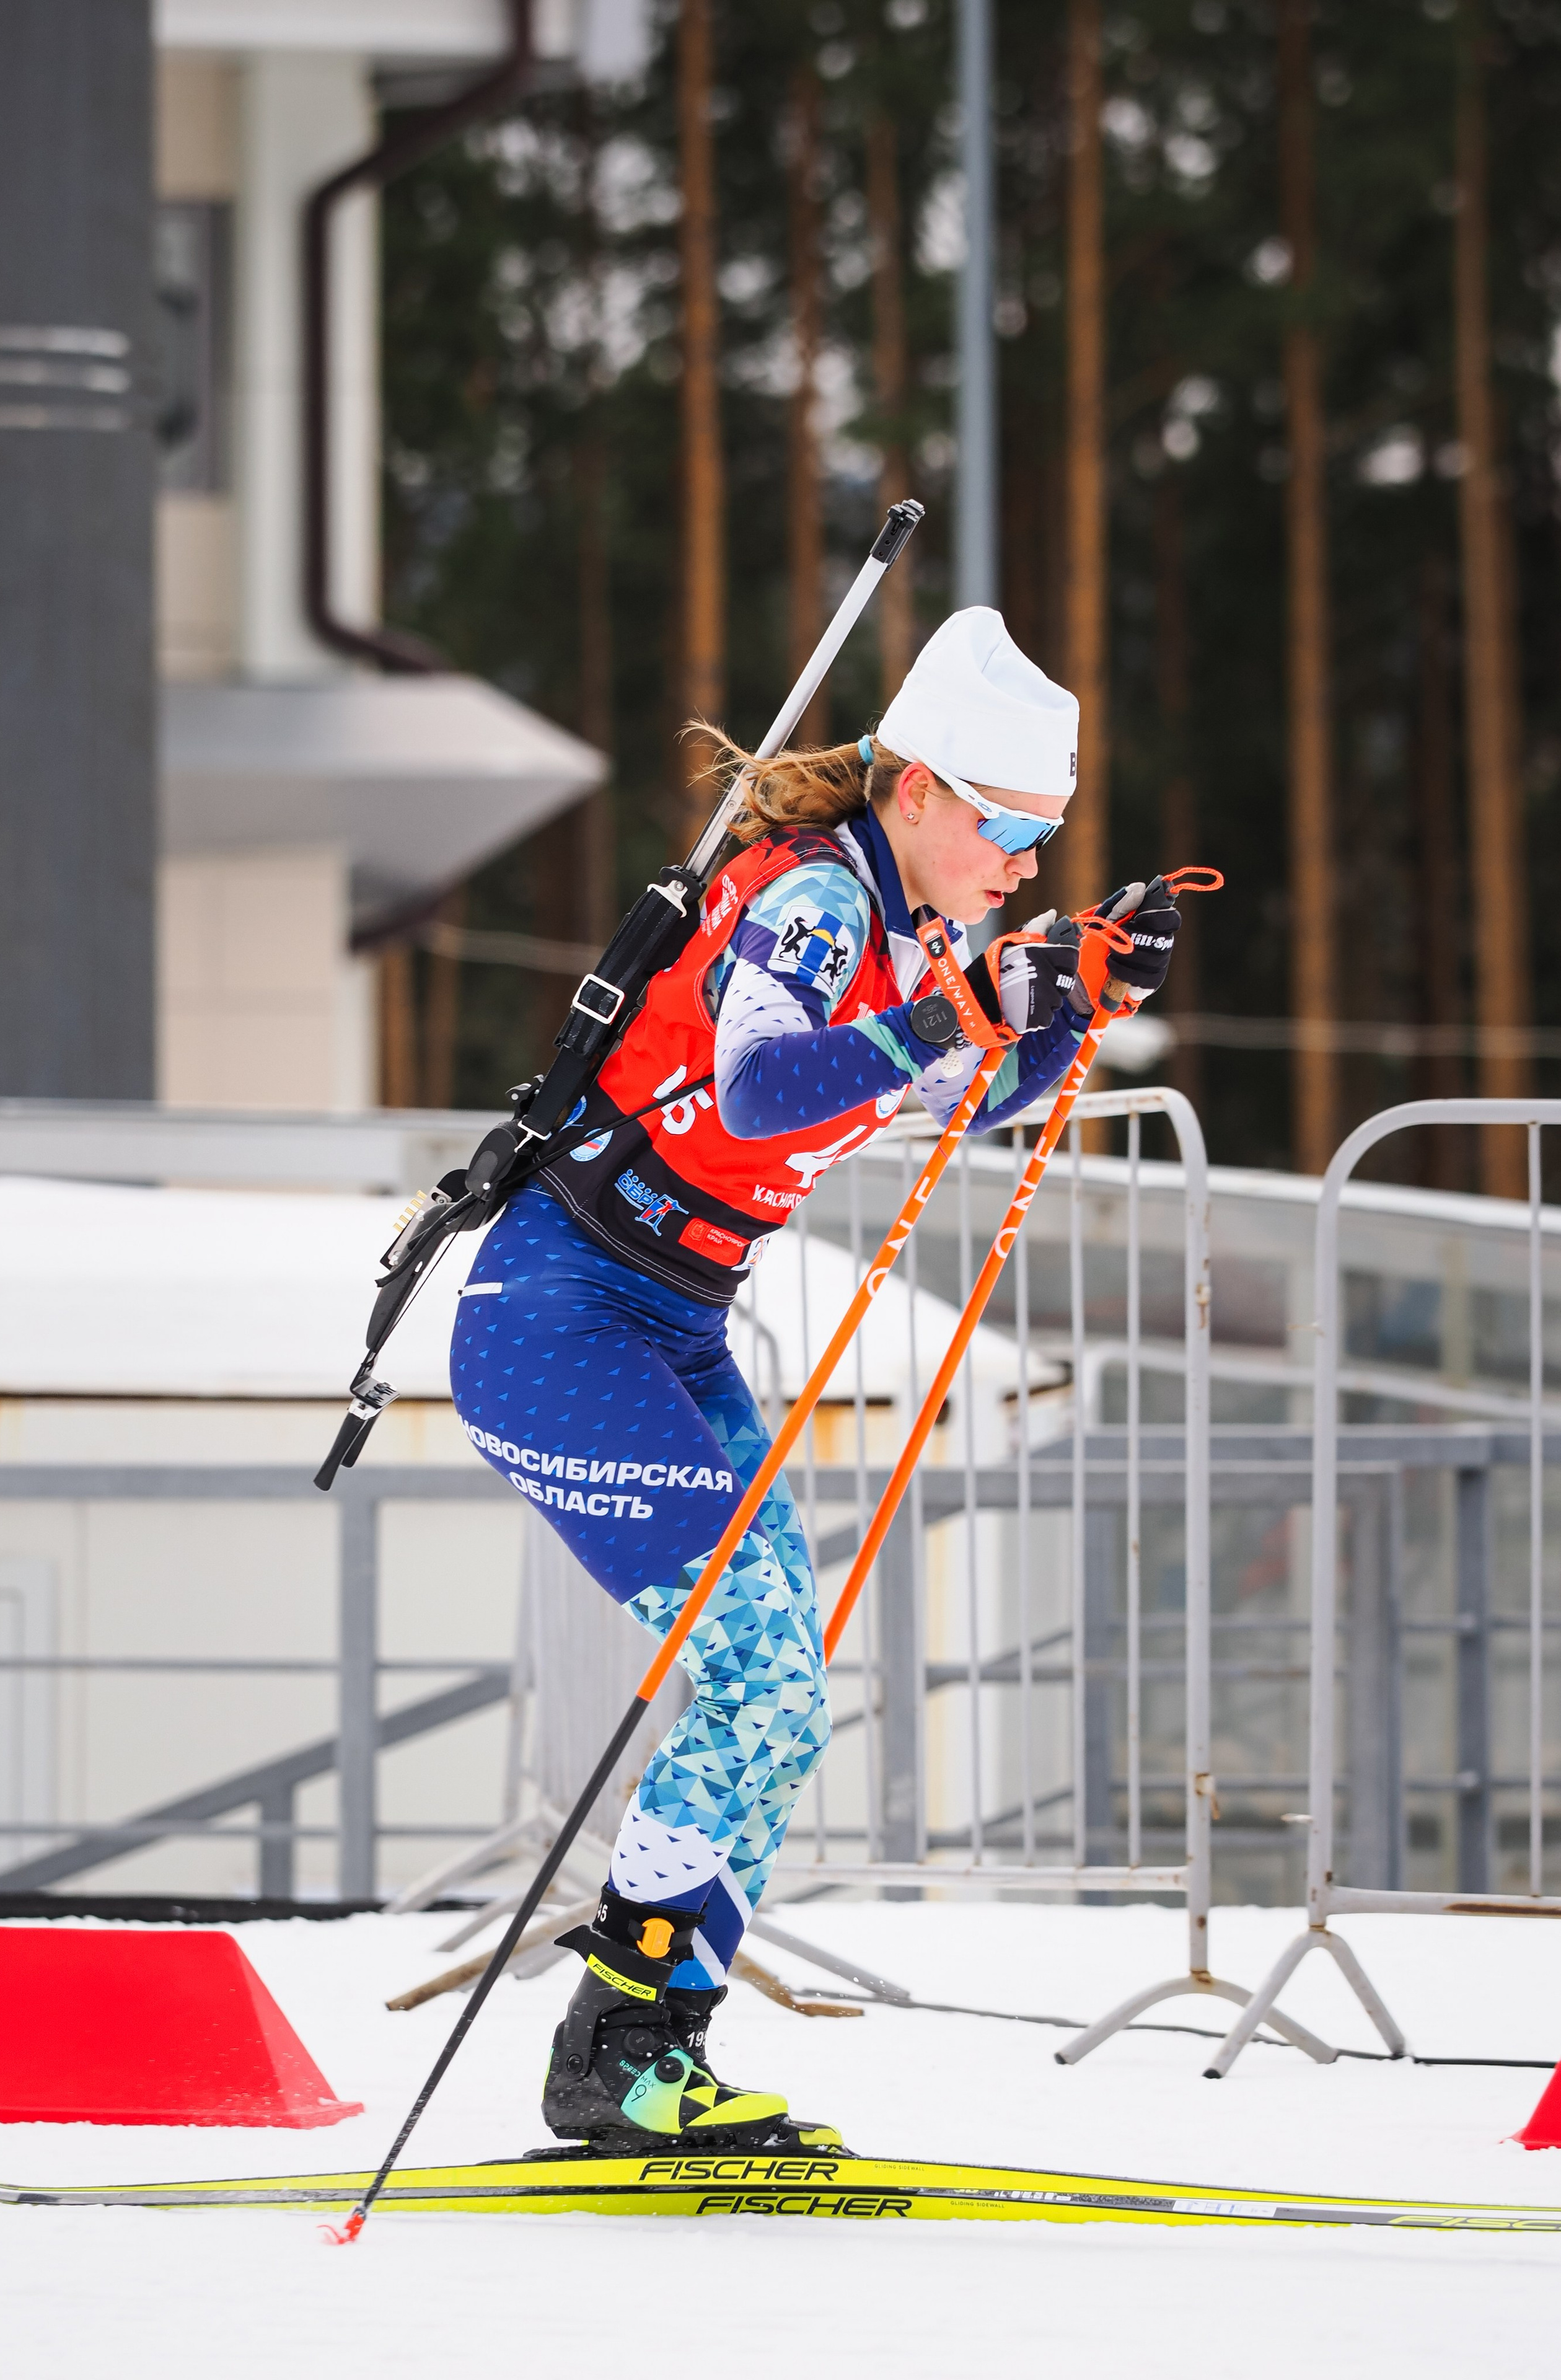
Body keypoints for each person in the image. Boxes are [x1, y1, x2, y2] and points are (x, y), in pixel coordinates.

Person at [450, 607, 1179, 2152]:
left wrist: (1071, 1008)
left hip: (668, 1321)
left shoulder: (905, 924)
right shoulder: (808, 900)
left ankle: (642, 2050)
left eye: (1047, 838)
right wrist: (972, 1002)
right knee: (766, 1678)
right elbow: (761, 1084)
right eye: (1009, 827)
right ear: (915, 788)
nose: (1028, 865)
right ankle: (618, 2058)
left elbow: (951, 1094)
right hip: (559, 1320)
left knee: (783, 1701)